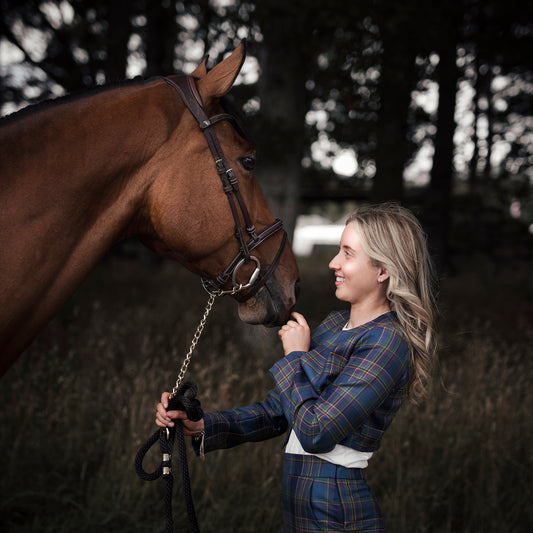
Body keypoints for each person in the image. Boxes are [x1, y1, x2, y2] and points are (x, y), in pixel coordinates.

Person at [155, 202, 437, 532]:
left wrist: (294, 358)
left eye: (348, 253)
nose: (334, 263)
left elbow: (315, 431)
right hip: (301, 502)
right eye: (338, 251)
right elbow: (279, 411)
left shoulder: (388, 343)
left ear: (383, 270)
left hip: (335, 508)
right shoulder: (334, 327)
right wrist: (202, 424)